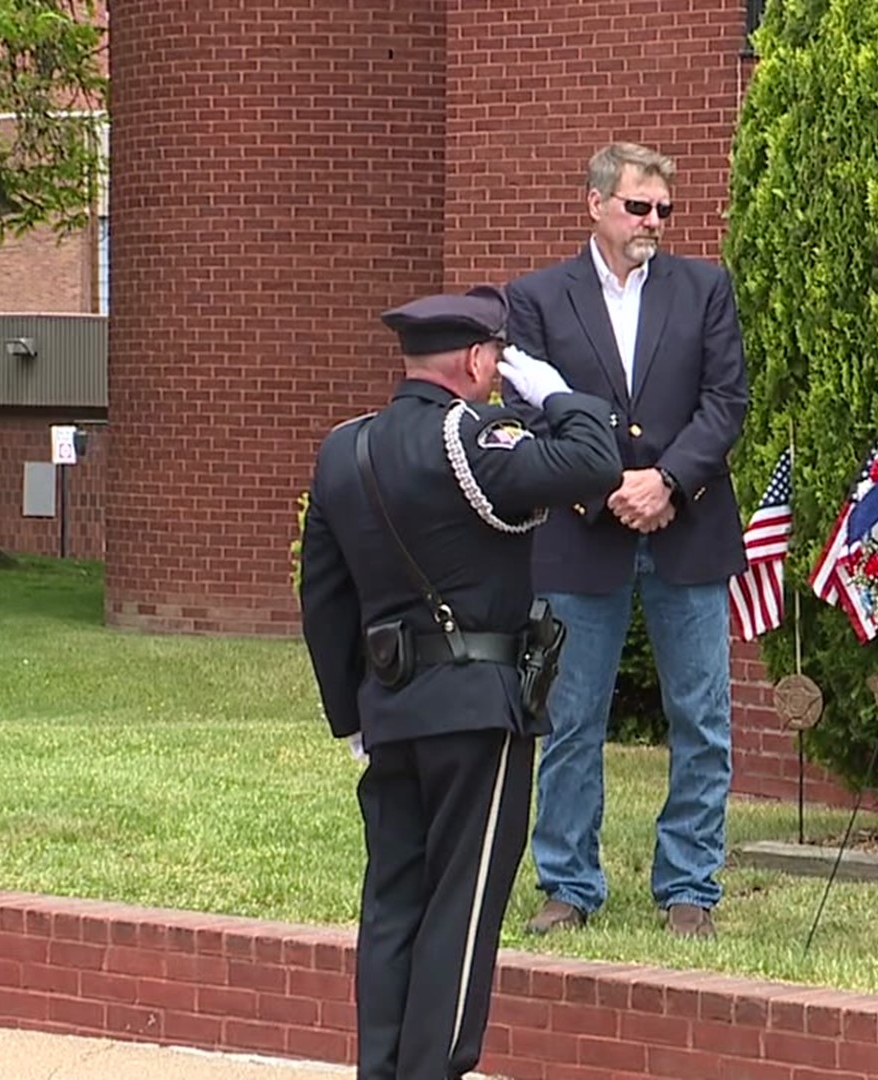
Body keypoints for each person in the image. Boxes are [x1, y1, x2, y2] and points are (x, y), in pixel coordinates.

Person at [298, 285, 622, 1078]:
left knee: (394, 903)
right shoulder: (473, 439)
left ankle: (383, 1069)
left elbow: (324, 596)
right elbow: (595, 460)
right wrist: (557, 394)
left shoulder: (346, 448)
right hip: (477, 711)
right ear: (479, 360)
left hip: (390, 712)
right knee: (461, 907)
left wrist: (351, 717)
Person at [504, 142, 749, 939]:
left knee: (701, 719)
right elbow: (533, 408)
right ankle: (567, 884)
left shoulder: (705, 289)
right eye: (638, 207)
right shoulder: (536, 298)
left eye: (663, 211)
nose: (652, 223)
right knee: (572, 719)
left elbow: (724, 402)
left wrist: (667, 481)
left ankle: (689, 887)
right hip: (582, 534)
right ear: (596, 204)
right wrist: (607, 484)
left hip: (689, 526)